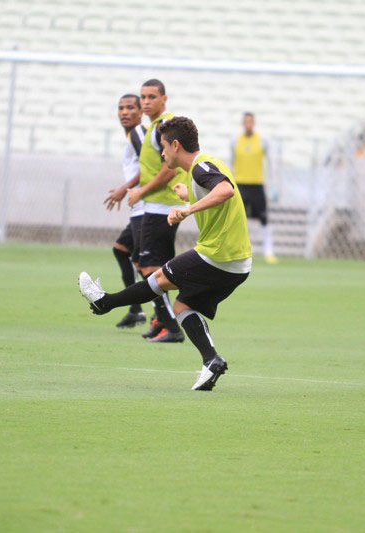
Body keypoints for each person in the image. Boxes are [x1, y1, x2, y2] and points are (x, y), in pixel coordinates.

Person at [80, 116, 252, 390]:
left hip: (217, 255)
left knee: (160, 278)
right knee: (183, 306)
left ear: (175, 145)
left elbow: (225, 190)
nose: (161, 153)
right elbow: (216, 189)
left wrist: (188, 209)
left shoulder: (200, 167)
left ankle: (105, 302)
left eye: (163, 147)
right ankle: (211, 361)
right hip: (238, 263)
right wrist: (189, 196)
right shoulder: (205, 166)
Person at [126, 79, 187, 343]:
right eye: (143, 97)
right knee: (144, 262)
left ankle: (172, 326)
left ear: (164, 99)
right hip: (155, 206)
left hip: (161, 206)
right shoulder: (153, 127)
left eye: (152, 96)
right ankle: (162, 319)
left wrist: (140, 191)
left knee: (151, 267)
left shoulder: (163, 127)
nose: (146, 101)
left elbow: (169, 169)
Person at [104, 94, 147, 328]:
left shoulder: (139, 133)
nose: (124, 112)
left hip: (146, 207)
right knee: (121, 250)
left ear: (141, 111)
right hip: (139, 208)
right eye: (121, 108)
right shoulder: (132, 136)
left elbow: (152, 166)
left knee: (146, 265)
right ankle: (136, 309)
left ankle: (166, 317)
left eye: (130, 107)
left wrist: (125, 188)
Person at [232, 112, 278, 264]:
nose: (248, 124)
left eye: (251, 121)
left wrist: (272, 185)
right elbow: (232, 162)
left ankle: (268, 251)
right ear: (242, 123)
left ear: (254, 123)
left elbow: (271, 163)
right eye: (246, 121)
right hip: (240, 184)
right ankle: (236, 250)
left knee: (263, 217)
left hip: (257, 184)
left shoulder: (262, 140)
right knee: (237, 218)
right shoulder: (235, 140)